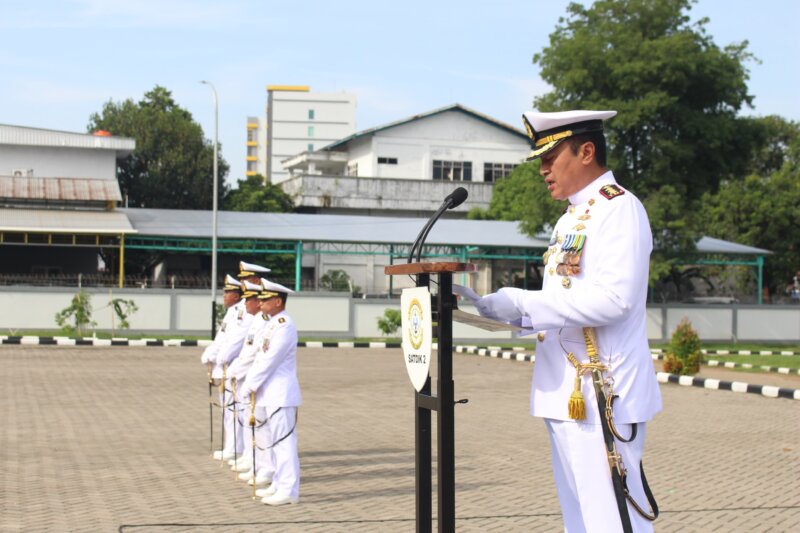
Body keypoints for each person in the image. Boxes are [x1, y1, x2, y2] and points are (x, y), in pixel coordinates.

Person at [475, 110, 661, 532]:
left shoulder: (620, 209)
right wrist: (501, 310)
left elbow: (616, 300)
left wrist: (524, 301)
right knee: (580, 521)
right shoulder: (570, 218)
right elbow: (563, 304)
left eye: (550, 157)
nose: (542, 170)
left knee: (612, 521)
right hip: (567, 390)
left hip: (603, 392)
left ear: (587, 151)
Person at [240, 279, 302, 506]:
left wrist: (249, 385)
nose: (261, 303)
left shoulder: (284, 325)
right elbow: (258, 356)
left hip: (280, 394)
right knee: (273, 442)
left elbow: (269, 361)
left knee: (284, 442)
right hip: (269, 393)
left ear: (278, 301)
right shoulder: (272, 323)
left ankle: (289, 489)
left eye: (266, 300)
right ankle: (279, 482)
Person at [226, 279, 274, 486]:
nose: (246, 304)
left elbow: (259, 355)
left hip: (258, 381)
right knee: (251, 423)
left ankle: (266, 469)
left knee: (263, 428)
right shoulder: (258, 320)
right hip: (248, 378)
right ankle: (255, 463)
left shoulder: (271, 323)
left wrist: (243, 376)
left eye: (251, 300)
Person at [201, 274, 243, 461]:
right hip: (224, 366)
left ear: (237, 295)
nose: (224, 295)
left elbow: (235, 342)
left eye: (228, 292)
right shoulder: (231, 312)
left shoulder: (241, 312)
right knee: (227, 409)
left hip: (232, 366)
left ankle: (235, 448)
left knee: (234, 410)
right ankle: (230, 446)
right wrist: (209, 354)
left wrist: (218, 357)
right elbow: (221, 339)